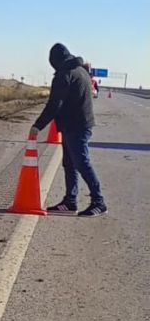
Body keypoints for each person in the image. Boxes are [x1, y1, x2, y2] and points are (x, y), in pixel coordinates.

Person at [31, 42, 107, 215]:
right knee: (70, 164)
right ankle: (70, 201)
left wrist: (38, 126)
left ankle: (99, 201)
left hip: (76, 126)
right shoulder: (81, 71)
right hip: (76, 124)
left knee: (82, 163)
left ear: (55, 60)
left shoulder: (65, 74)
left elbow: (55, 104)